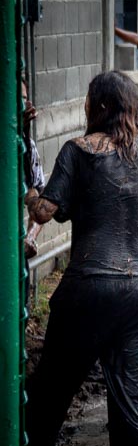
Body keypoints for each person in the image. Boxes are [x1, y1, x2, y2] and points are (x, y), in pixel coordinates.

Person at [24, 71, 138, 446]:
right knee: (133, 400)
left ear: (99, 106)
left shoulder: (78, 150)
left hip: (88, 288)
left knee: (52, 391)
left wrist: (29, 178)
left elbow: (45, 209)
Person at [21, 77, 46, 298]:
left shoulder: (27, 146)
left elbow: (40, 197)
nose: (25, 106)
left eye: (25, 98)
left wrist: (30, 237)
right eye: (17, 99)